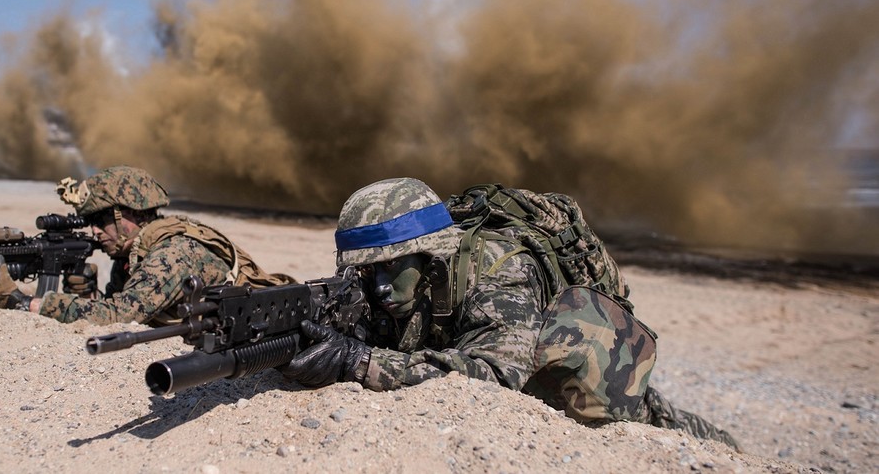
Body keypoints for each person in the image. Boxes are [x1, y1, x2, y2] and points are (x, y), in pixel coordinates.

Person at [281, 177, 739, 449]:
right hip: (464, 336)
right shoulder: (381, 282)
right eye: (367, 271)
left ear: (430, 256)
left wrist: (358, 362)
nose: (378, 286)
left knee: (637, 414)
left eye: (392, 267)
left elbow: (496, 375)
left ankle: (722, 445)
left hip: (576, 361)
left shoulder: (501, 271)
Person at [0, 166, 293, 325]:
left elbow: (122, 315)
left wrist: (24, 302)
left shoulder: (171, 253)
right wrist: (86, 294)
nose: (95, 231)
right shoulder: (135, 252)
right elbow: (118, 303)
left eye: (100, 220)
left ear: (128, 214)